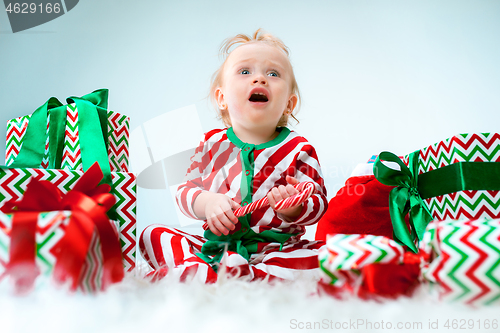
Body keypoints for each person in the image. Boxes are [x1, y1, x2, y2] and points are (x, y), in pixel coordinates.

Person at [140, 29, 328, 283]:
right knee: (153, 234)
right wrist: (207, 202)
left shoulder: (299, 148)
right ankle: (226, 268)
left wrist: (294, 209)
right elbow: (185, 192)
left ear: (289, 104)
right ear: (222, 98)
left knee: (324, 256)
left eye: (273, 74)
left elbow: (319, 203)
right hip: (218, 245)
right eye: (245, 72)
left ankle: (229, 272)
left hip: (277, 249)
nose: (259, 79)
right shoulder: (211, 143)